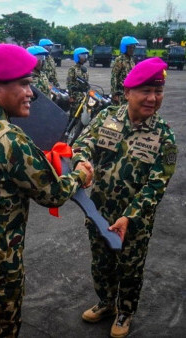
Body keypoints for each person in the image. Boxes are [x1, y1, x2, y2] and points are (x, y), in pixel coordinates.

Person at [0, 44, 94, 337]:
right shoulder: (10, 139)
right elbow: (52, 194)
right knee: (3, 327)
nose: (32, 93)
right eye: (25, 84)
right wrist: (79, 175)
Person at [73, 57, 177, 338]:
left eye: (158, 92)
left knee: (130, 269)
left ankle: (125, 312)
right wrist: (82, 161)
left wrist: (129, 217)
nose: (153, 98)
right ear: (128, 92)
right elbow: (83, 143)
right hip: (98, 213)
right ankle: (106, 303)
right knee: (101, 263)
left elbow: (156, 186)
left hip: (134, 222)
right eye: (146, 91)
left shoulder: (164, 137)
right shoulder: (107, 118)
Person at [111, 36, 138, 105]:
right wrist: (114, 94)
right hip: (121, 93)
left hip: (130, 92)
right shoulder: (119, 60)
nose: (133, 49)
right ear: (125, 48)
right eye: (131, 47)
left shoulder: (131, 60)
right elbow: (114, 77)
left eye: (134, 47)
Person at [67, 47, 90, 116]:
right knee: (75, 114)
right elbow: (69, 83)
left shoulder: (84, 69)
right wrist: (71, 96)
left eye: (86, 56)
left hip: (84, 95)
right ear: (77, 57)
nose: (85, 58)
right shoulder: (73, 69)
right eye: (83, 56)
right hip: (76, 96)